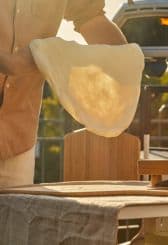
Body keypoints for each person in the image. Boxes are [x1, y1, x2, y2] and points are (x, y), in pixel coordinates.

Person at [0, 0, 127, 187]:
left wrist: (129, 59)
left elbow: (91, 19)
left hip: (18, 140)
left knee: (18, 215)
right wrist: (9, 62)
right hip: (18, 135)